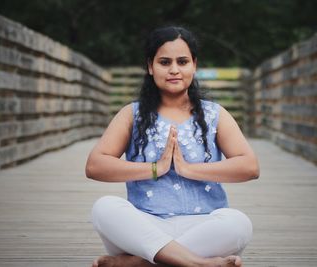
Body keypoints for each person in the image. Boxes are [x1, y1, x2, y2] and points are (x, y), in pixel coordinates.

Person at [85, 26, 259, 267]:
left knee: (238, 223)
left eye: (183, 61)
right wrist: (157, 168)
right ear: (150, 67)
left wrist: (188, 169)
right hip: (145, 226)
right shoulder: (131, 114)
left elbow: (249, 166)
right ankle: (197, 263)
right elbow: (95, 165)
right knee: (104, 208)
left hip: (203, 226)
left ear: (194, 65)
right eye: (164, 62)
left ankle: (141, 263)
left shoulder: (214, 114)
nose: (174, 70)